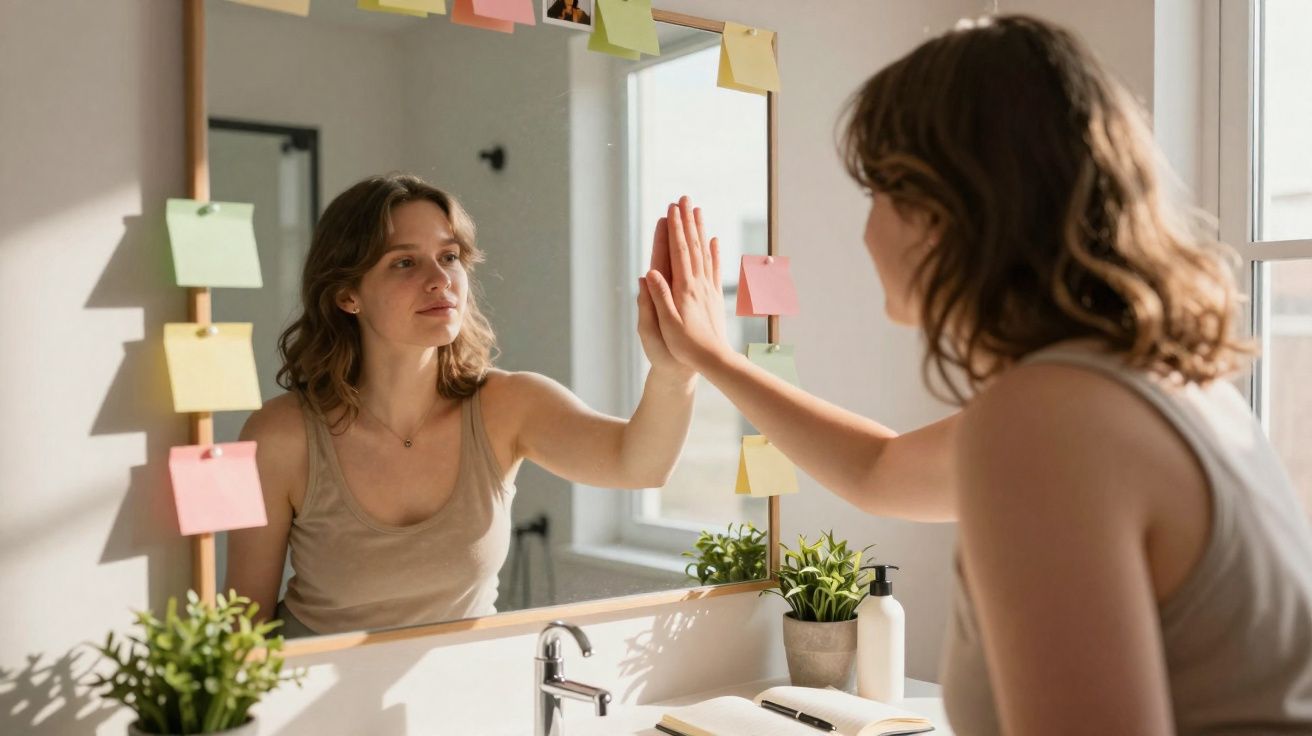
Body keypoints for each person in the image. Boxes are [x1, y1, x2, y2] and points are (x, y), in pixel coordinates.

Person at [639, 15, 1312, 735]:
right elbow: (879, 469)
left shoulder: (1050, 419)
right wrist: (712, 356)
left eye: (877, 191)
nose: (866, 230)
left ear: (943, 210)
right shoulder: (1143, 385)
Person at [225, 173, 696, 637]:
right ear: (348, 295)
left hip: (462, 695)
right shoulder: (279, 436)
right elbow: (243, 623)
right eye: (404, 263)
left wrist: (675, 369)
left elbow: (639, 464)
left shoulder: (508, 406)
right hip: (313, 698)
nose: (440, 280)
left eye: (449, 256)